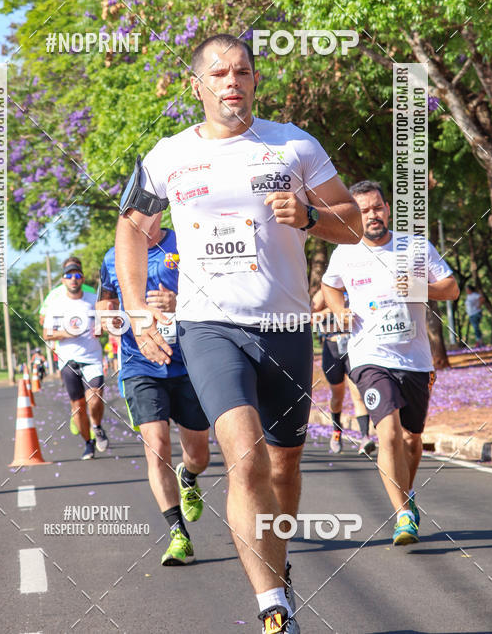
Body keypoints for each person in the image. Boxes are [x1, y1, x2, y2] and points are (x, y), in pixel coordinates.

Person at [114, 34, 362, 634]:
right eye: (220, 73)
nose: (233, 82)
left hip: (284, 326)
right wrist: (138, 310)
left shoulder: (293, 144)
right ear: (196, 85)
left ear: (255, 82)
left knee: (282, 467)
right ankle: (272, 609)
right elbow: (130, 229)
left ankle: (276, 569)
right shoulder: (168, 156)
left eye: (244, 72)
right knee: (245, 456)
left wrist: (308, 217)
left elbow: (351, 223)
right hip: (209, 326)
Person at [321, 180, 459, 546]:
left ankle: (407, 494)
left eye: (377, 207)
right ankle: (402, 516)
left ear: (387, 208)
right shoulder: (345, 251)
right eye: (363, 210)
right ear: (354, 214)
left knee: (413, 440)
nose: (372, 215)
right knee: (390, 432)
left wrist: (420, 288)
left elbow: (451, 288)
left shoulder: (414, 246)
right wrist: (339, 311)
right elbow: (328, 285)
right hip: (369, 357)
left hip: (414, 359)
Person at [98, 217, 210, 566]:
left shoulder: (187, 245)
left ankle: (189, 476)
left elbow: (214, 296)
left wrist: (180, 301)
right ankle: (178, 534)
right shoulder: (111, 257)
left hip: (188, 362)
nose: (142, 220)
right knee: (156, 445)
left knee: (199, 455)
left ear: (160, 213)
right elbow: (105, 302)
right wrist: (109, 319)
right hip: (139, 364)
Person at [42, 258, 109, 459]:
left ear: (82, 279)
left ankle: (96, 427)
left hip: (92, 358)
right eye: (69, 276)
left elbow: (106, 324)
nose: (73, 279)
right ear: (63, 280)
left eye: (77, 275)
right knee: (78, 407)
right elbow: (47, 334)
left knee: (95, 398)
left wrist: (101, 328)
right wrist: (66, 333)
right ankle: (88, 443)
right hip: (68, 361)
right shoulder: (56, 304)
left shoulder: (93, 300)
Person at [311, 290, 375, 456]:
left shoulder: (353, 284)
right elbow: (311, 315)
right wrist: (334, 308)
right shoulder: (325, 290)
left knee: (358, 394)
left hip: (352, 346)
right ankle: (336, 431)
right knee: (337, 396)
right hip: (332, 349)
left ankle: (364, 437)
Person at [38, 256, 97, 326]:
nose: (73, 277)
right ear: (63, 278)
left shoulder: (91, 291)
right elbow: (42, 320)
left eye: (77, 272)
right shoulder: (54, 294)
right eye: (69, 274)